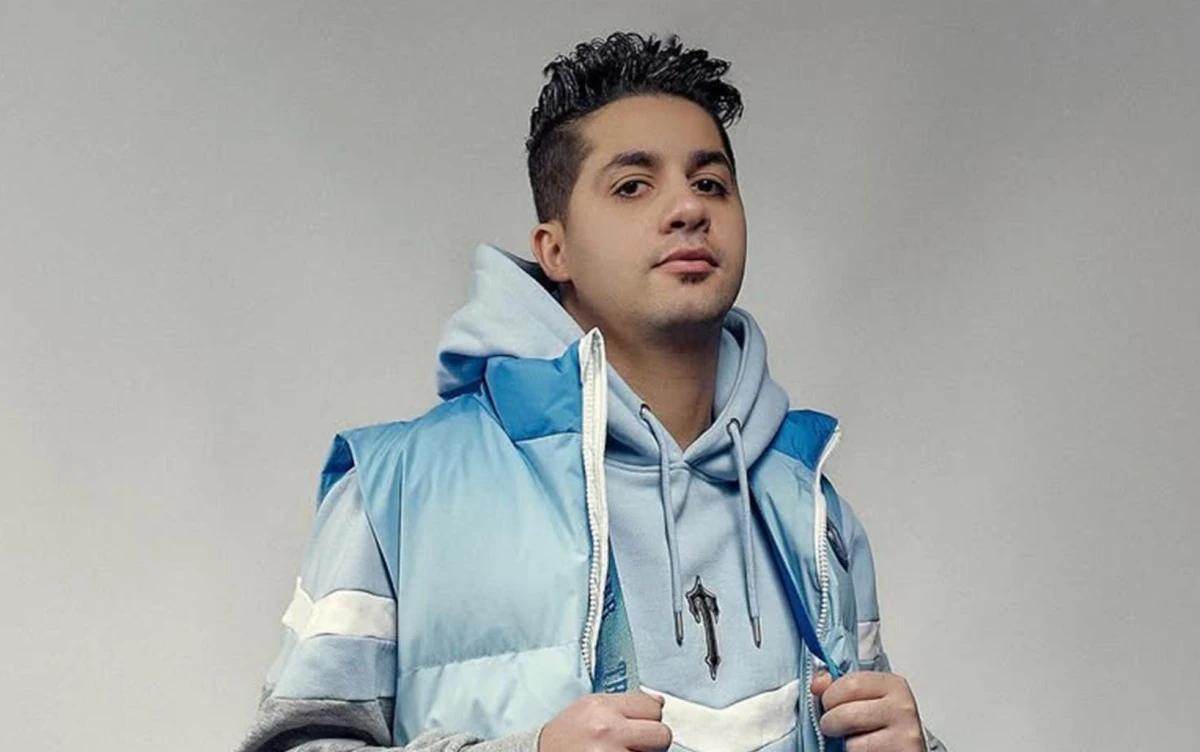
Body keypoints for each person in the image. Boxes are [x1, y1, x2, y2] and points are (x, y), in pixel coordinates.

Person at [234, 31, 947, 752]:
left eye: (710, 183)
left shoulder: (814, 505)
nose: (688, 208)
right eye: (633, 185)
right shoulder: (395, 489)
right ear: (556, 250)